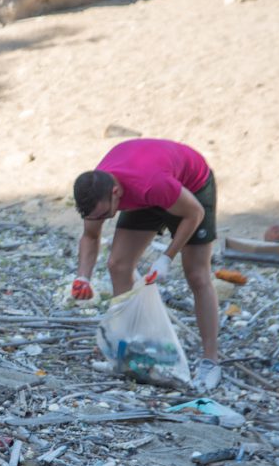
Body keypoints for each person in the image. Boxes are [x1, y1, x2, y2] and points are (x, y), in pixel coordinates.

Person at [70, 138, 221, 391]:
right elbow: (90, 236)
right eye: (95, 216)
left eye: (106, 215)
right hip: (147, 192)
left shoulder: (151, 184)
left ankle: (211, 361)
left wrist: (167, 257)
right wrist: (83, 277)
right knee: (118, 265)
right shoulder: (96, 193)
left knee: (197, 275)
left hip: (191, 190)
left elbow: (194, 213)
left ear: (116, 193)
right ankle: (126, 350)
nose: (103, 220)